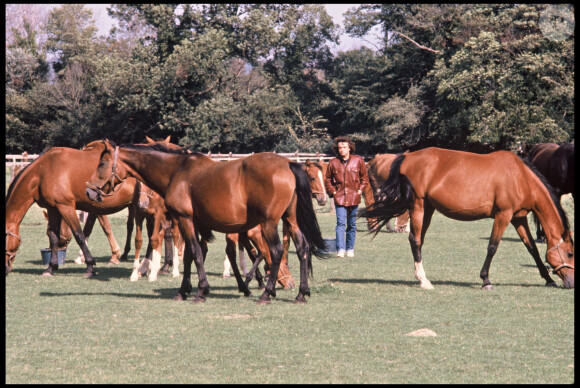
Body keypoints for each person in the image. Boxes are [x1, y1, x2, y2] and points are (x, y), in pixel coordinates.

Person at [324, 136, 369, 258]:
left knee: (352, 224)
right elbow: (327, 179)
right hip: (339, 198)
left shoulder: (358, 160)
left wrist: (360, 191)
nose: (342, 150)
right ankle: (340, 250)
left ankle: (350, 249)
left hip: (354, 197)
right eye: (339, 148)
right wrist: (333, 191)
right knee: (340, 223)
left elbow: (365, 178)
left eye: (344, 147)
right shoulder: (333, 163)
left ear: (349, 148)